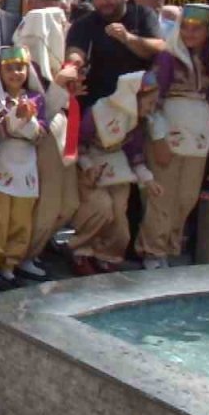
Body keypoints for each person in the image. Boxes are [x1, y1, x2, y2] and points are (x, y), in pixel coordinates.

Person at [138, 4, 209, 269]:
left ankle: (169, 248)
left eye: (197, 28)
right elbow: (151, 101)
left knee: (186, 198)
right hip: (168, 136)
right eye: (185, 27)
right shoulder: (168, 57)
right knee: (161, 196)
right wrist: (158, 138)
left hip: (199, 140)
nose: (190, 33)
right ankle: (153, 251)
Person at [13, 6, 81, 281]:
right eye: (60, 23)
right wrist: (60, 87)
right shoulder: (27, 66)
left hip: (63, 131)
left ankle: (35, 249)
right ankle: (25, 255)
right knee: (48, 203)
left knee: (69, 203)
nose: (65, 27)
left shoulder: (54, 63)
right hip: (45, 136)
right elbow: (42, 110)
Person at [71, 71, 162, 275]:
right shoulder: (98, 114)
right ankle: (81, 249)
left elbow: (134, 154)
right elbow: (79, 142)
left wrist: (148, 179)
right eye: (148, 104)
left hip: (118, 165)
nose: (151, 109)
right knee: (100, 208)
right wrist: (87, 165)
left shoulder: (134, 124)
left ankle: (107, 253)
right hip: (92, 164)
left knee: (119, 213)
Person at [0, 46, 47, 290]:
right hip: (1, 161)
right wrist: (16, 119)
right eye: (9, 68)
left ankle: (10, 263)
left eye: (20, 67)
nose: (16, 73)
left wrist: (26, 121)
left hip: (27, 164)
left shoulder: (37, 99)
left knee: (21, 217)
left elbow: (40, 134)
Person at [65, 0, 164, 109]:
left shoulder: (143, 15)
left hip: (138, 101)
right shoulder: (84, 23)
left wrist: (127, 38)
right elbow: (75, 51)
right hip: (97, 102)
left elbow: (159, 47)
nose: (105, 1)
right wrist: (74, 66)